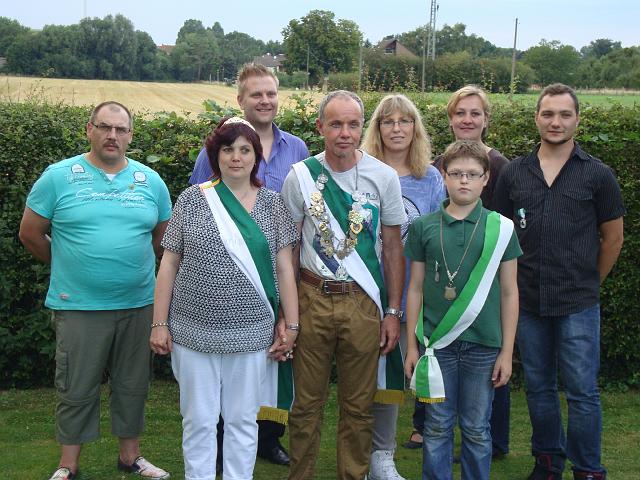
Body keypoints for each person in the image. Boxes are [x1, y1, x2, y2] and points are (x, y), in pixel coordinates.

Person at [19, 101, 172, 480]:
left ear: (131, 136)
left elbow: (163, 241)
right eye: (104, 127)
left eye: (121, 130)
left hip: (138, 304)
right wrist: (69, 265)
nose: (112, 136)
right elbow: (30, 233)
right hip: (79, 306)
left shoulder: (150, 181)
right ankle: (68, 465)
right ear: (89, 129)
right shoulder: (59, 176)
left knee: (133, 385)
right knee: (76, 386)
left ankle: (130, 457)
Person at [150, 117, 299, 480]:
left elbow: (284, 269)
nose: (236, 157)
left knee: (243, 421)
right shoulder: (192, 199)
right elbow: (169, 263)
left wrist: (292, 324)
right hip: (192, 332)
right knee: (199, 420)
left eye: (245, 149)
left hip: (252, 333)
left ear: (256, 156)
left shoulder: (273, 204)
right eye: (227, 149)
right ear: (215, 155)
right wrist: (159, 323)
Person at [493, 83, 625, 480]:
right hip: (528, 301)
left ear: (577, 120)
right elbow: (501, 235)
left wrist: (590, 282)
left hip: (578, 301)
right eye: (548, 113)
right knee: (538, 387)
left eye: (565, 114)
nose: (556, 121)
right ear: (537, 117)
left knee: (582, 391)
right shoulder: (515, 172)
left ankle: (588, 469)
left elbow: (613, 237)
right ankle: (548, 462)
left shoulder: (598, 174)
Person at [281, 90, 407, 479]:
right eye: (335, 124)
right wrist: (287, 314)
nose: (344, 133)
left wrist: (392, 312)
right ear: (320, 127)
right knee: (306, 404)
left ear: (361, 127)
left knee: (358, 405)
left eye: (353, 124)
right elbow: (285, 249)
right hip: (311, 298)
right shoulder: (299, 176)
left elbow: (392, 249)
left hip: (362, 303)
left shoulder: (383, 177)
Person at [189, 63, 309, 468]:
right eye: (256, 94)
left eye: (271, 93)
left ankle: (269, 439)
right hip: (227, 275)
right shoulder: (221, 144)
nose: (265, 100)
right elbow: (199, 210)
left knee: (272, 364)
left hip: (280, 264)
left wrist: (289, 311)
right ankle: (219, 449)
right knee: (222, 384)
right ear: (240, 99)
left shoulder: (297, 148)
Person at [404, 140, 521, 480]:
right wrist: (412, 346)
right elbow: (415, 289)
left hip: (484, 345)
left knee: (476, 427)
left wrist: (507, 352)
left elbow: (510, 293)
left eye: (472, 174)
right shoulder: (425, 226)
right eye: (456, 174)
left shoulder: (500, 228)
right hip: (436, 345)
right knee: (437, 426)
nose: (464, 181)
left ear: (486, 179)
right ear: (443, 176)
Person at [361, 93, 446, 480]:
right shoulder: (359, 171)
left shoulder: (431, 178)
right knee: (362, 371)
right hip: (364, 289)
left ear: (416, 128)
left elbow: (438, 236)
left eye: (405, 121)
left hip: (413, 291)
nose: (397, 128)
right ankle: (359, 451)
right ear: (377, 129)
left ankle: (383, 454)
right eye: (388, 121)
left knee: (393, 370)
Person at [424, 85, 511, 458]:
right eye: (460, 113)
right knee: (437, 358)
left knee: (488, 376)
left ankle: (495, 441)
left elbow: (507, 223)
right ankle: (426, 429)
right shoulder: (435, 165)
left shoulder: (501, 166)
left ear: (486, 120)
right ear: (450, 119)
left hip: (485, 281)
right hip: (446, 276)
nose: (467, 120)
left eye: (475, 113)